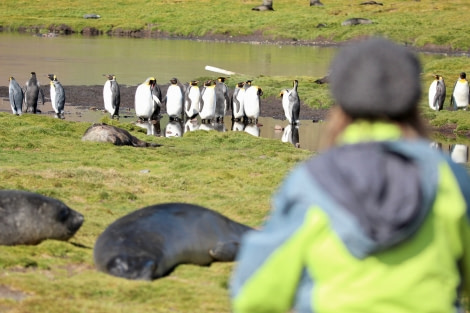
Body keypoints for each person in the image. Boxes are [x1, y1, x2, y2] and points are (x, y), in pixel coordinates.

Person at [230, 37, 470, 313]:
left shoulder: (313, 182)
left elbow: (254, 293)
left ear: (341, 105)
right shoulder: (448, 179)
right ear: (413, 103)